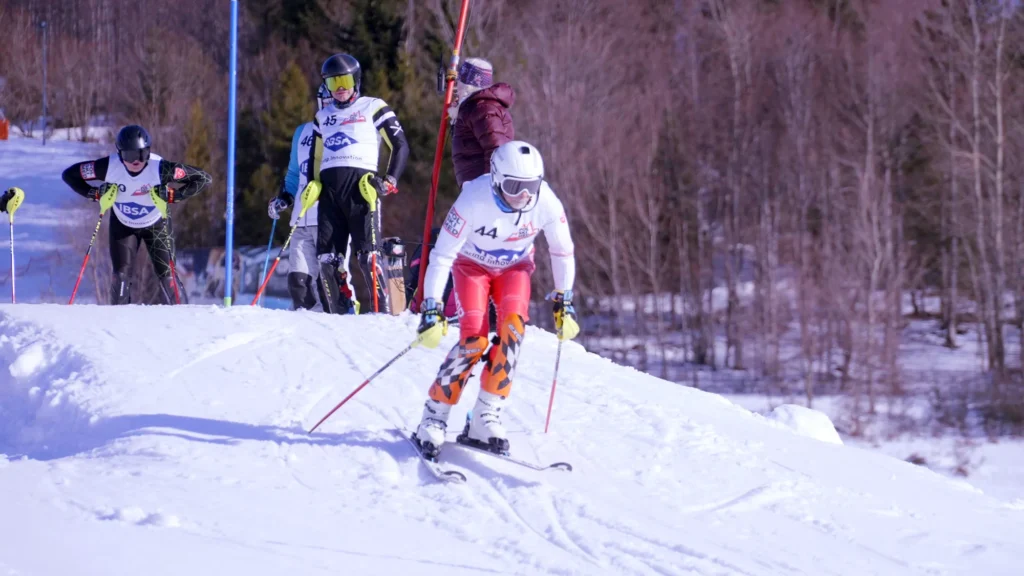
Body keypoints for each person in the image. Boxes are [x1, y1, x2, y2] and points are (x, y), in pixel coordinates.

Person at [411, 141, 581, 458]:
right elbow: (442, 255)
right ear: (496, 179)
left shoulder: (546, 202)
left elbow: (562, 250)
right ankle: (434, 415)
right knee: (474, 340)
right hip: (471, 266)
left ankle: (485, 415)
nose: (524, 196)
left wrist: (564, 299)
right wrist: (432, 305)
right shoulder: (473, 199)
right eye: (514, 186)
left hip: (514, 268)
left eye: (531, 187)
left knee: (513, 332)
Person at [303, 53, 409, 314]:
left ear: (356, 80)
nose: (340, 88)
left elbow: (400, 144)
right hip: (330, 195)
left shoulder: (373, 106)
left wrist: (390, 179)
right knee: (327, 261)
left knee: (368, 257)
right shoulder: (322, 116)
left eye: (345, 81)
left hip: (362, 190)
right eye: (333, 83)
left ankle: (383, 313)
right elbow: (316, 156)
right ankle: (342, 314)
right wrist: (311, 185)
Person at [411, 57, 515, 315]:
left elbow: (497, 148)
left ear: (470, 83)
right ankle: (469, 307)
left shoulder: (483, 108)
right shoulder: (475, 108)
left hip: (485, 193)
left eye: (460, 82)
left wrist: (492, 191)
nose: (455, 87)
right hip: (477, 190)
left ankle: (481, 309)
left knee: (470, 249)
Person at [62, 124, 212, 305]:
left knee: (168, 277)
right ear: (120, 154)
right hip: (123, 226)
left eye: (142, 154)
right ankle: (118, 320)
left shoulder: (160, 168)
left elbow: (203, 178)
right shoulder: (108, 167)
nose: (136, 161)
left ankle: (183, 318)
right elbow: (69, 175)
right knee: (120, 278)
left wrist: (175, 195)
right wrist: (95, 194)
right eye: (130, 155)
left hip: (156, 225)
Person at [269, 84, 356, 313]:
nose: (328, 106)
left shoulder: (349, 128)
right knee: (298, 282)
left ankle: (345, 319)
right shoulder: (303, 132)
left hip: (330, 218)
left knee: (330, 281)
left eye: (332, 101)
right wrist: (284, 198)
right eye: (324, 101)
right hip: (301, 218)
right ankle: (308, 326)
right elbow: (294, 173)